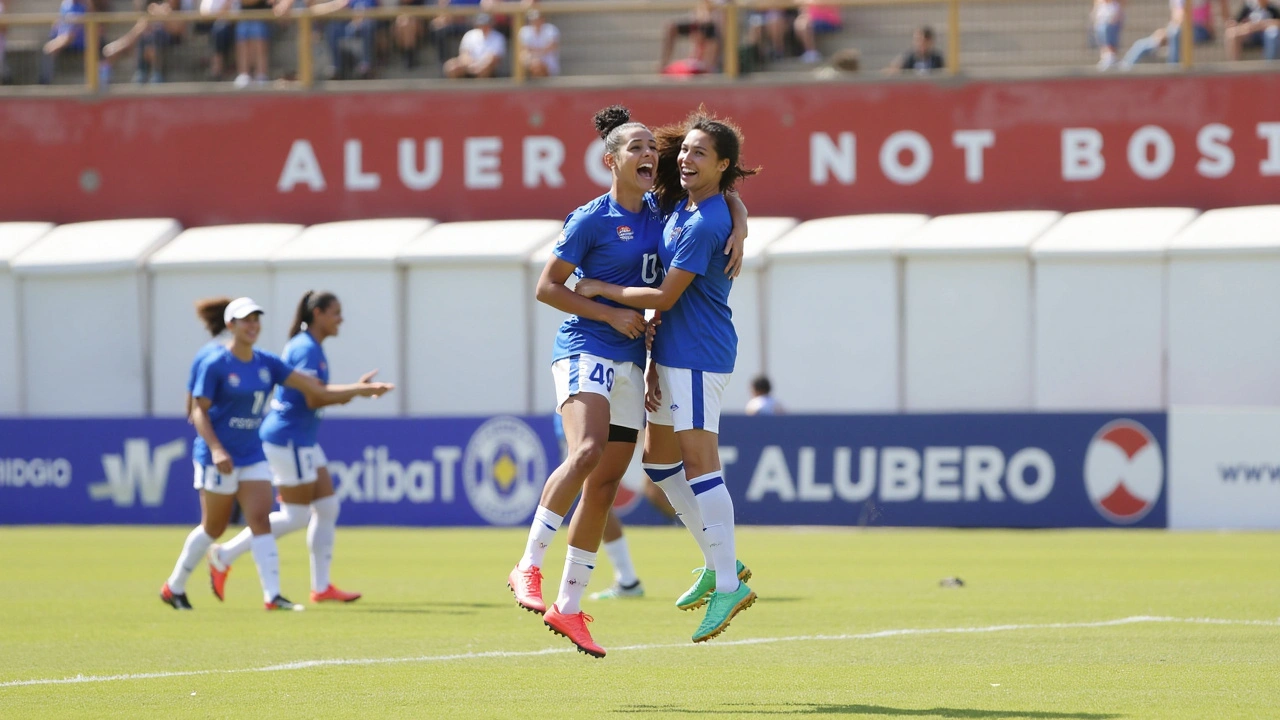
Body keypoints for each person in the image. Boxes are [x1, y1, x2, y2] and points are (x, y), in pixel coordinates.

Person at [509, 105, 747, 658]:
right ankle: (527, 566)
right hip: (589, 347)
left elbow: (719, 196)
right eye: (637, 148)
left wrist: (738, 217)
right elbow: (549, 288)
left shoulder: (663, 208)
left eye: (651, 148)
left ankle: (568, 608)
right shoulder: (590, 218)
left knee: (608, 484)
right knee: (590, 452)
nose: (652, 155)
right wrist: (608, 312)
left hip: (639, 360)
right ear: (610, 160)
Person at [575, 107, 760, 644]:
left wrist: (597, 289)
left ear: (722, 164)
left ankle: (728, 581)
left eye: (700, 153)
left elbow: (662, 296)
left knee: (701, 464)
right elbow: (731, 198)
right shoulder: (688, 203)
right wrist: (741, 212)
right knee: (658, 463)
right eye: (685, 150)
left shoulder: (705, 222)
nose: (685, 158)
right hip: (671, 353)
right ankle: (715, 558)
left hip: (699, 353)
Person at [160, 297, 391, 611]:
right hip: (221, 455)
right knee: (214, 528)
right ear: (231, 326)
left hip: (252, 452)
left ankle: (273, 596)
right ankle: (174, 586)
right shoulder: (215, 363)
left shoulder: (266, 362)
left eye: (256, 319)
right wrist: (216, 449)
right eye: (246, 320)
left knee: (260, 520)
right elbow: (196, 412)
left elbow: (317, 391)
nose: (253, 325)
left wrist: (358, 390)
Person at [1118, 0, 1231, 68]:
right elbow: (1177, 16)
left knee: (1176, 33)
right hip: (1179, 29)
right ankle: (1125, 69)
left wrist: (1227, 24)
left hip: (1201, 31)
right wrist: (1167, 31)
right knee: (1142, 44)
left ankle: (1173, 69)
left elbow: (1221, 7)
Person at [313, 0, 379, 79]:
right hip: (347, 25)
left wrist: (359, 20)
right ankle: (336, 68)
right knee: (333, 28)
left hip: (364, 27)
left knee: (367, 26)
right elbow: (315, 10)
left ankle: (365, 66)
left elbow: (371, 9)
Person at [38, 0, 89, 85]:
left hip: (75, 40)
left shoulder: (85, 6)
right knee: (47, 47)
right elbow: (58, 22)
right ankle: (45, 81)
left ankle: (45, 83)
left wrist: (61, 41)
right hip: (62, 37)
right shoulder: (65, 4)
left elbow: (73, 33)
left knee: (49, 49)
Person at [444, 12, 504, 78]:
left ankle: (481, 88)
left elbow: (494, 58)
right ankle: (456, 88)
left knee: (484, 68)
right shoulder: (469, 34)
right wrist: (471, 65)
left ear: (491, 24)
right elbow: (464, 54)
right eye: (481, 24)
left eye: (486, 24)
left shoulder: (498, 36)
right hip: (469, 65)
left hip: (486, 67)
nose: (483, 26)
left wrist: (478, 65)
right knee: (450, 66)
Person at [517, 8, 558, 77]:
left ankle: (540, 84)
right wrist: (537, 54)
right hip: (531, 59)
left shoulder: (550, 29)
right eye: (533, 20)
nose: (535, 21)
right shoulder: (524, 31)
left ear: (543, 19)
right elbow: (525, 49)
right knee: (530, 60)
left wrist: (535, 52)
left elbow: (552, 46)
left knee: (537, 64)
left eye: (537, 19)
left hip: (548, 62)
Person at [1092, 0, 1124, 69]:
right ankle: (1105, 56)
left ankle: (1111, 56)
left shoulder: (1115, 4)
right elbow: (1095, 15)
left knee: (1108, 31)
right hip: (1100, 26)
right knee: (1101, 31)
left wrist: (1111, 22)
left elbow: (1118, 16)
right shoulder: (1099, 3)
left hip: (1111, 26)